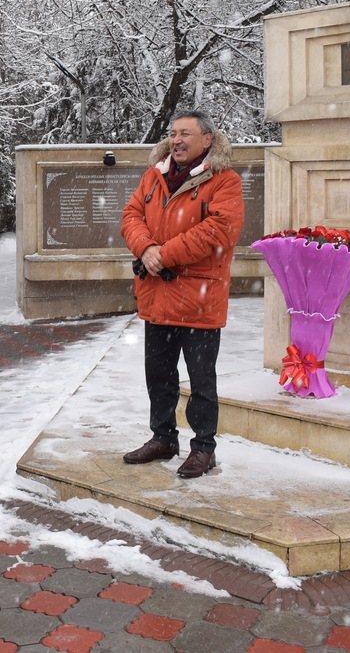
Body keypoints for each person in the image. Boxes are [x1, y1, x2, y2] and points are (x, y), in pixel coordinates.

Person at [119, 110, 244, 479]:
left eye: (185, 133)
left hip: (198, 300)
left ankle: (204, 448)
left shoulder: (225, 181)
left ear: (207, 139)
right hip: (157, 296)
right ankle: (163, 438)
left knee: (201, 381)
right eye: (173, 133)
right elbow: (130, 216)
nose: (176, 140)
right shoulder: (154, 174)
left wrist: (163, 254)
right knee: (158, 375)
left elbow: (218, 232)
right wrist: (145, 249)